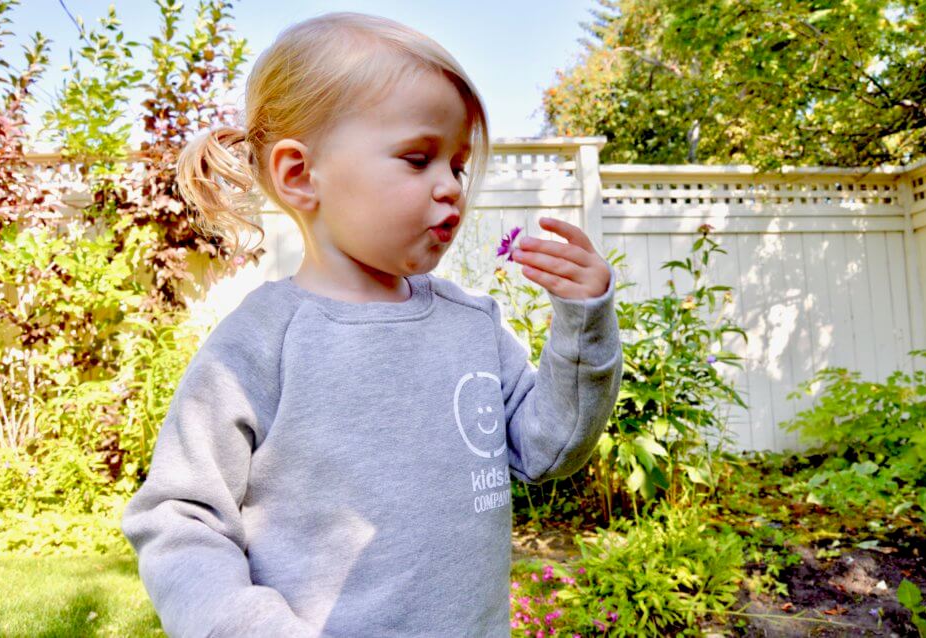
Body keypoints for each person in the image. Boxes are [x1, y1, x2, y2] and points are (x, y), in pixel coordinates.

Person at [121, 11, 622, 638]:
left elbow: (551, 447)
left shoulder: (471, 326)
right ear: (300, 175)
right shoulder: (258, 347)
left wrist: (584, 320)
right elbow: (180, 517)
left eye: (458, 165)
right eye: (418, 159)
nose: (451, 188)